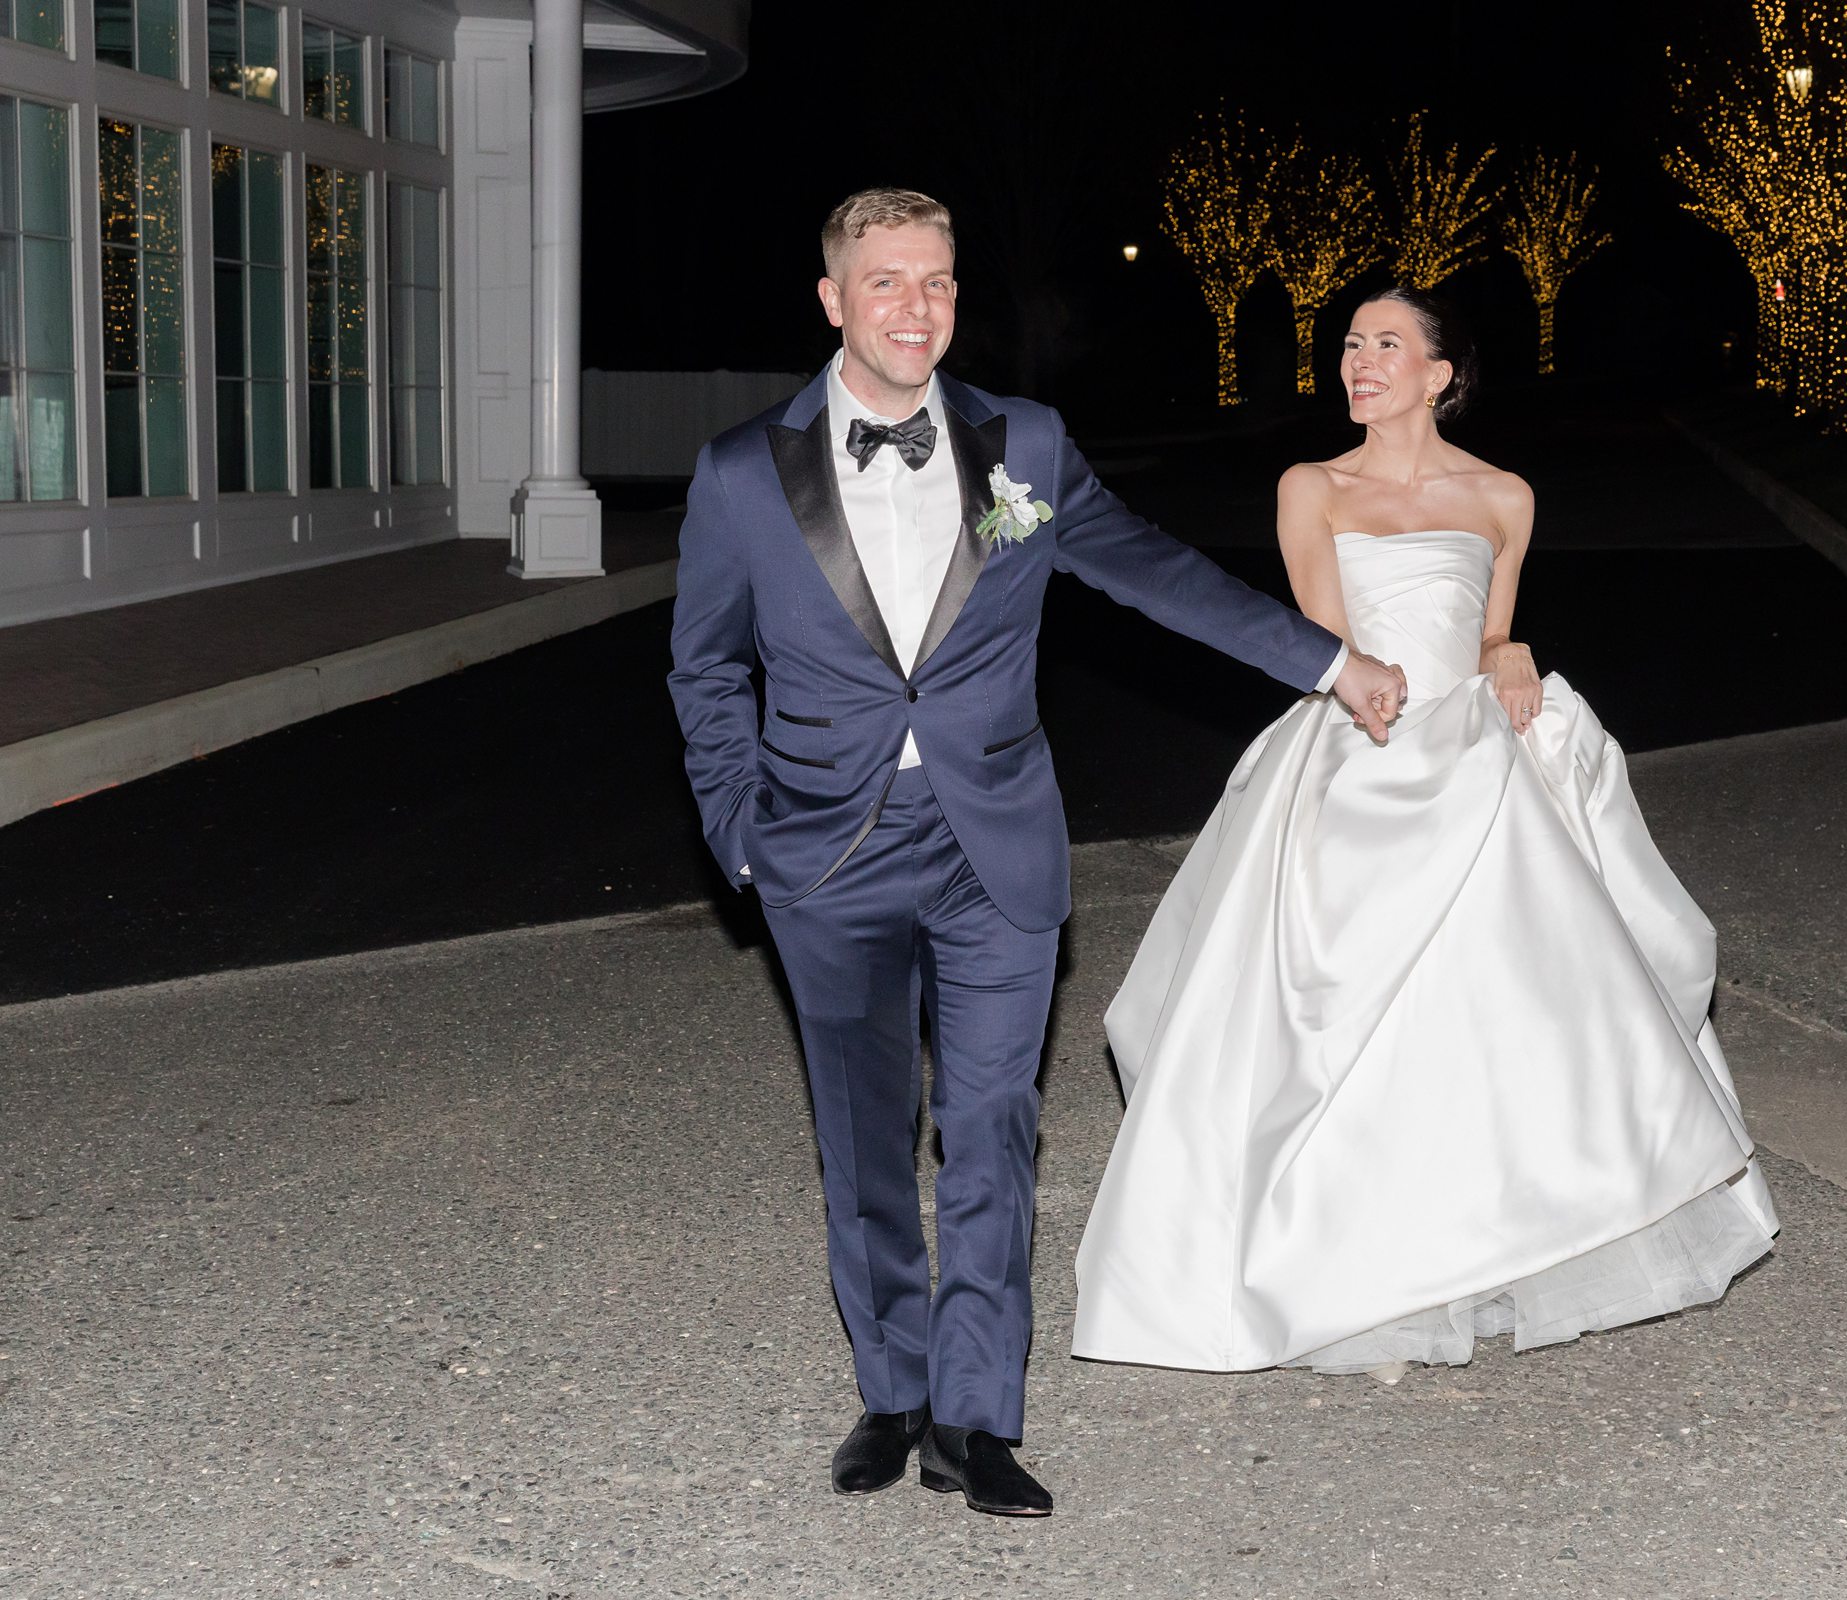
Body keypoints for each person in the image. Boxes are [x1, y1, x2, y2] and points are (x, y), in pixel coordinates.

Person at [665, 189, 1408, 1518]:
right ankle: (890, 1389)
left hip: (992, 841)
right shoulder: (740, 473)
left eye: (937, 283)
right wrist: (744, 839)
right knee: (867, 1139)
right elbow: (706, 668)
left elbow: (1158, 573)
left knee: (995, 1128)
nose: (915, 309)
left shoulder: (1027, 450)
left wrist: (1330, 660)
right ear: (833, 300)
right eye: (885, 283)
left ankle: (972, 1415)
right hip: (823, 854)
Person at [1073, 287, 1779, 1379]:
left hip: (1479, 748)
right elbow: (1324, 641)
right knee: (1333, 1009)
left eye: (1386, 345)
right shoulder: (1312, 486)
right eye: (1352, 344)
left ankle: (1503, 1222)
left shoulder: (1504, 494)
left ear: (1441, 372)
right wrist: (1384, 705)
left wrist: (1508, 645)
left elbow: (1492, 624)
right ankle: (1346, 1251)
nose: (1359, 361)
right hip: (1365, 741)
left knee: (1512, 1002)